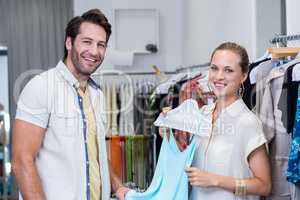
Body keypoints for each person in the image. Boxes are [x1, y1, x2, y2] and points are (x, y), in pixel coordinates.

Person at [12, 9, 130, 200]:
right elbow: (21, 161)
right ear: (69, 42)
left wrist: (118, 187)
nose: (94, 51)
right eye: (87, 42)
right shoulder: (42, 87)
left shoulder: (97, 95)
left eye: (101, 45)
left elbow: (95, 154)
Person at [162, 42, 271, 199]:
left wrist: (215, 180)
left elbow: (264, 186)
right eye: (214, 68)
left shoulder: (247, 122)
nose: (219, 76)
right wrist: (167, 132)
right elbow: (190, 163)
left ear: (244, 76)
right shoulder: (202, 114)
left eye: (228, 70)